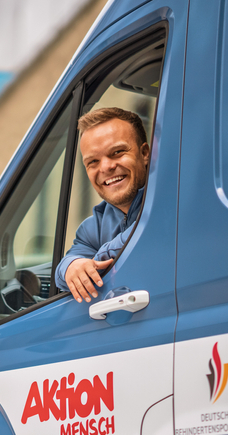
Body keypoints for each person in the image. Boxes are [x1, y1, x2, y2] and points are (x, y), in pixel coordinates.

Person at [54, 107, 150, 303]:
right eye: (93, 162)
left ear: (145, 153)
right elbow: (65, 267)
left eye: (117, 152)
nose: (106, 167)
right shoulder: (92, 227)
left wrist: (100, 257)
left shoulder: (173, 197)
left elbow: (150, 229)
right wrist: (74, 267)